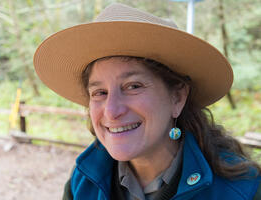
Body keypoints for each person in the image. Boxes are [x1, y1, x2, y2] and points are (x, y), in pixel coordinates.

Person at [33, 3, 261, 200]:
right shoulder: (84, 181)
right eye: (99, 92)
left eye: (133, 86)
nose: (112, 111)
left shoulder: (243, 190)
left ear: (177, 98)